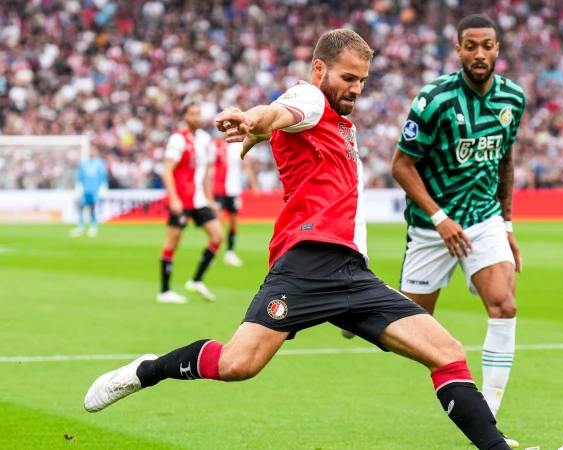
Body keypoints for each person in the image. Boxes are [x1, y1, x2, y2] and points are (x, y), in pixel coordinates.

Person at [83, 29, 532, 450]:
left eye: (362, 79)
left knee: (448, 353)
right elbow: (282, 111)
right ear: (320, 70)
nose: (356, 87)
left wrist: (265, 129)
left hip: (353, 273)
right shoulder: (311, 98)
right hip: (307, 265)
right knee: (237, 365)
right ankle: (145, 371)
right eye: (347, 77)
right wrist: (256, 119)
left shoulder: (340, 123)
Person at [380, 14, 527, 447]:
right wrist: (440, 218)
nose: (479, 54)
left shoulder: (513, 99)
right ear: (458, 50)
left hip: (483, 219)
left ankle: (490, 421)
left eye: (487, 45)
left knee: (504, 305)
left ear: (498, 48)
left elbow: (505, 161)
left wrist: (507, 222)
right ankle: (362, 308)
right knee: (406, 328)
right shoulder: (435, 100)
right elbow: (401, 165)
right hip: (431, 227)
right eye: (471, 46)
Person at [156, 104, 225, 304]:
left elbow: (205, 174)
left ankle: (196, 280)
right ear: (185, 116)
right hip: (182, 200)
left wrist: (210, 200)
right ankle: (165, 290)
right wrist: (174, 199)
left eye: (198, 113)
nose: (196, 117)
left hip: (199, 200)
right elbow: (167, 170)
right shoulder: (178, 139)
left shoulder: (205, 139)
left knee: (217, 235)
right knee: (172, 242)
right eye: (192, 113)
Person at [211, 136, 260, 267]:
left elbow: (246, 166)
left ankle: (230, 253)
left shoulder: (238, 146)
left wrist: (253, 183)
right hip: (219, 190)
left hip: (233, 190)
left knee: (233, 222)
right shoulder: (216, 146)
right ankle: (212, 253)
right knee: (217, 222)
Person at [69, 145, 108, 238]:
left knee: (92, 208)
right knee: (81, 207)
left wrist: (103, 187)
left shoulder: (100, 163)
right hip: (85, 190)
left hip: (94, 190)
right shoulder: (83, 163)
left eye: (93, 151)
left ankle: (94, 226)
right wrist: (78, 187)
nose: (92, 152)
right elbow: (79, 177)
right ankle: (80, 226)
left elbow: (103, 177)